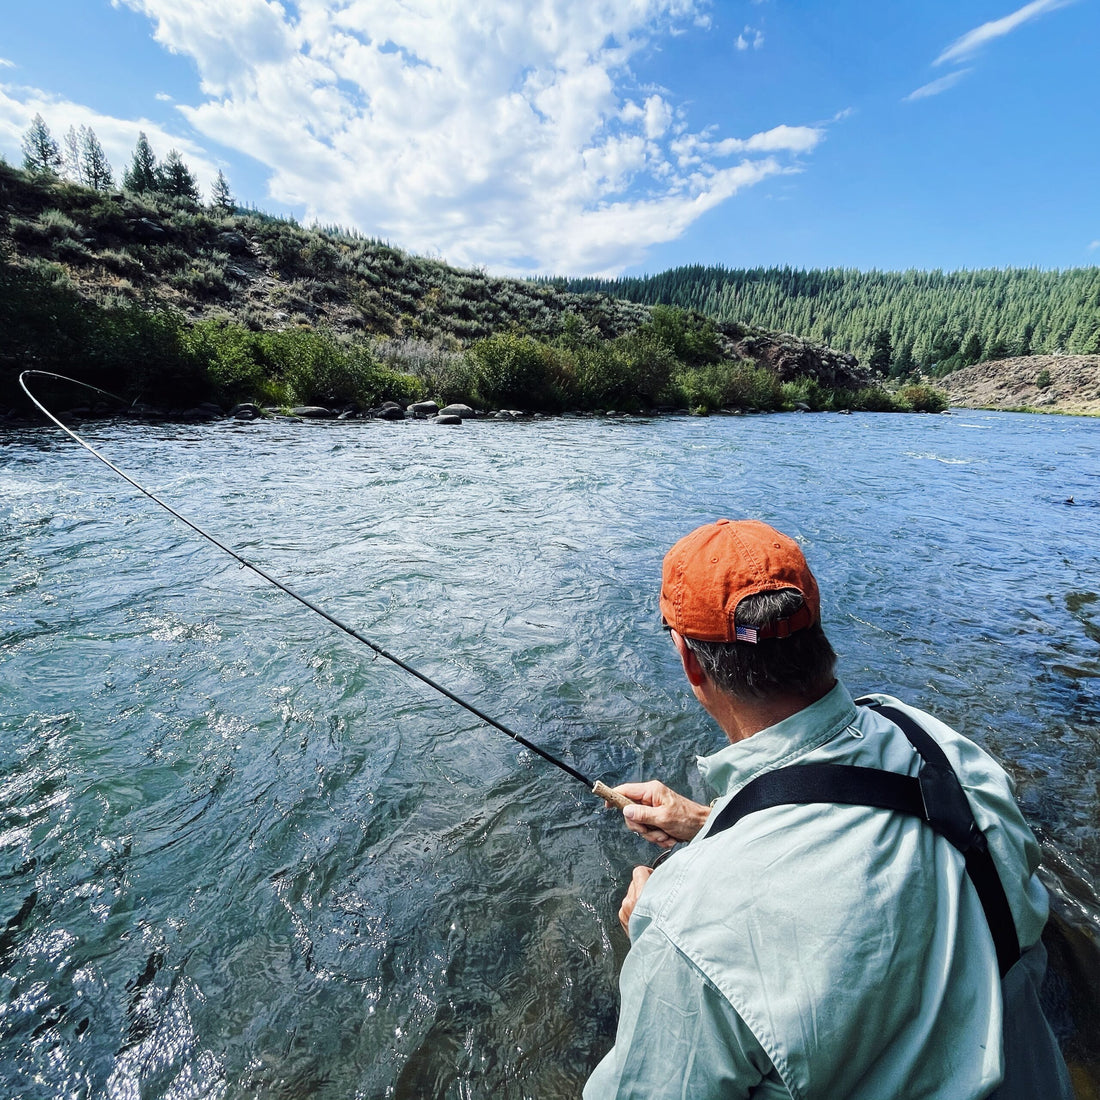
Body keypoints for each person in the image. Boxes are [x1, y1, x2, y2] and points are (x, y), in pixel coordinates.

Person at [585, 519, 1071, 1099]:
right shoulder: (938, 744)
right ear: (813, 626)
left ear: (691, 663)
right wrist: (710, 823)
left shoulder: (685, 925)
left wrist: (655, 930)